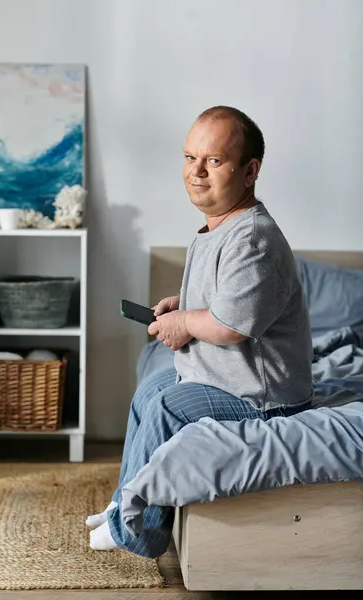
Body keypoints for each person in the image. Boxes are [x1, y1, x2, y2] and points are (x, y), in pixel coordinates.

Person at [86, 106, 313, 558]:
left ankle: (140, 531)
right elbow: (226, 298)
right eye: (190, 158)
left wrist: (185, 323)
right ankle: (121, 504)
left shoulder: (253, 237)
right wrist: (181, 306)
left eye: (214, 160)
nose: (197, 171)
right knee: (151, 390)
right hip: (225, 380)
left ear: (250, 171)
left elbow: (231, 325)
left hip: (263, 399)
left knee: (168, 407)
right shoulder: (218, 229)